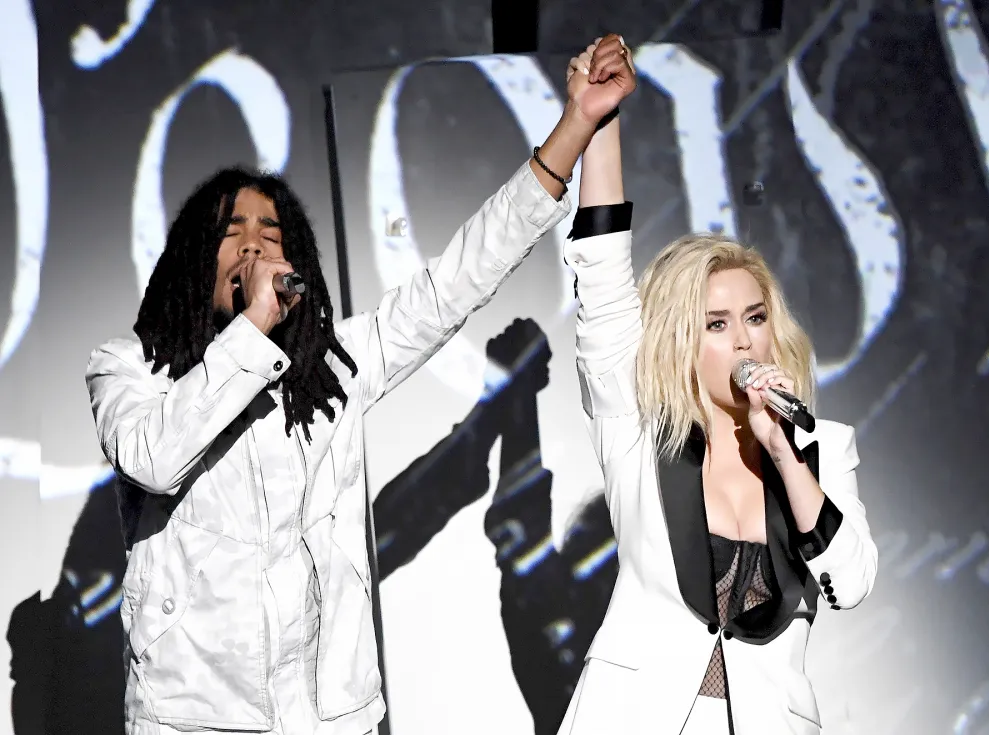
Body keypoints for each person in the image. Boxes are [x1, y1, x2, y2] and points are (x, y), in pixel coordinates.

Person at [84, 36, 636, 735]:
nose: (254, 246)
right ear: (196, 254)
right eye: (232, 232)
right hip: (189, 719)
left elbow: (454, 282)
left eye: (271, 233)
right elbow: (154, 458)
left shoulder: (335, 364)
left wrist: (576, 126)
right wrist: (252, 328)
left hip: (327, 717)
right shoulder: (129, 366)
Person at [556, 38, 878, 735]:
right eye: (718, 323)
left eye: (756, 317)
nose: (744, 339)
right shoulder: (640, 430)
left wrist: (788, 455)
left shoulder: (823, 449)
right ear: (682, 338)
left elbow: (849, 583)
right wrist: (599, 122)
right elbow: (604, 282)